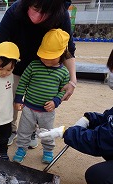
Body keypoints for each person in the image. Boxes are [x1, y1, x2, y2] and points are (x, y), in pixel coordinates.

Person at [37, 41, 113, 184]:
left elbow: (101, 142)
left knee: (97, 177)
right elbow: (112, 119)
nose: (112, 76)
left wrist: (66, 132)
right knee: (111, 148)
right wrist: (90, 118)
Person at [0, 0, 77, 148]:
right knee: (8, 98)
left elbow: (68, 49)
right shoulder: (15, 10)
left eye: (44, 12)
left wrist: (73, 80)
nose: (37, 16)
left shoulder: (60, 13)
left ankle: (31, 131)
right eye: (35, 8)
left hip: (43, 68)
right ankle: (9, 128)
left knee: (38, 100)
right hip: (14, 66)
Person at [13, 29, 70, 164]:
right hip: (29, 108)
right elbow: (23, 83)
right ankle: (21, 149)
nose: (46, 59)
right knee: (23, 131)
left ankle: (48, 150)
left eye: (51, 56)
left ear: (62, 53)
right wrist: (18, 99)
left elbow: (63, 90)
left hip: (47, 112)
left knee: (47, 133)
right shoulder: (33, 66)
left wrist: (56, 101)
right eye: (44, 55)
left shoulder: (64, 72)